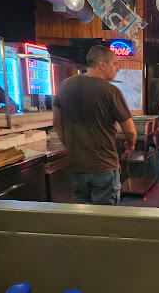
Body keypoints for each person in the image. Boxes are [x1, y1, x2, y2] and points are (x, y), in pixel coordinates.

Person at [53, 45, 137, 205]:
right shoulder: (111, 91)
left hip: (76, 166)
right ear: (102, 64)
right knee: (104, 219)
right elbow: (131, 130)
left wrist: (70, 146)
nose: (118, 69)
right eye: (115, 63)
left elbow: (57, 122)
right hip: (103, 167)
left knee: (81, 217)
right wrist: (130, 144)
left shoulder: (65, 85)